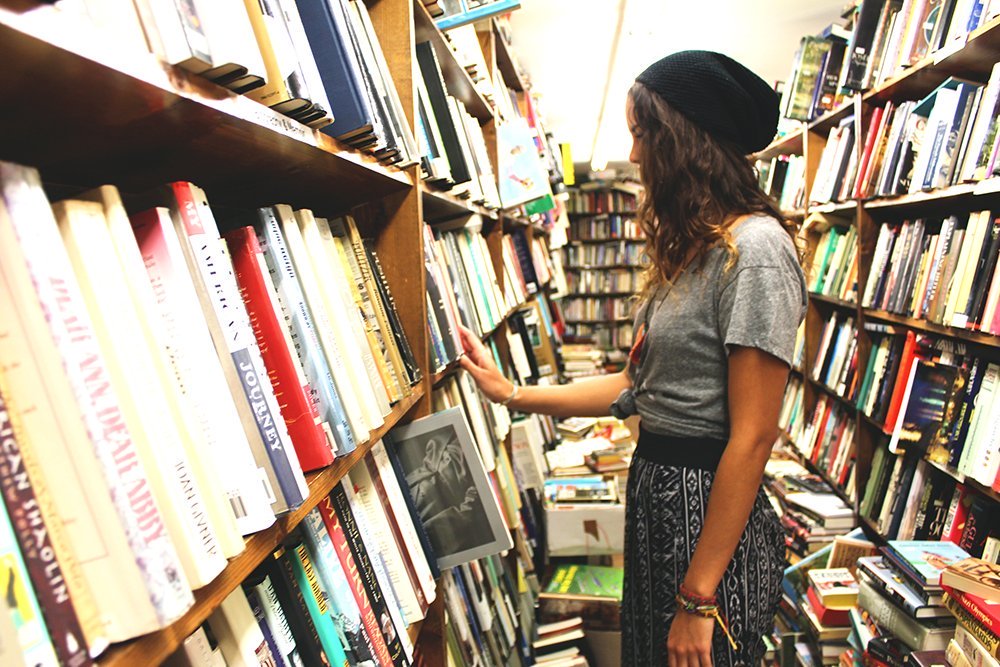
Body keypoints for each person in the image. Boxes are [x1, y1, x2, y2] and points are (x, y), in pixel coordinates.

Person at [459, 50, 807, 667]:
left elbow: (753, 437)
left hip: (706, 516)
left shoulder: (754, 251)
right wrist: (511, 393)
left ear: (684, 139)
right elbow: (632, 385)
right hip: (659, 499)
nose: (636, 155)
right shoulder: (693, 251)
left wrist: (700, 601)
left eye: (642, 134)